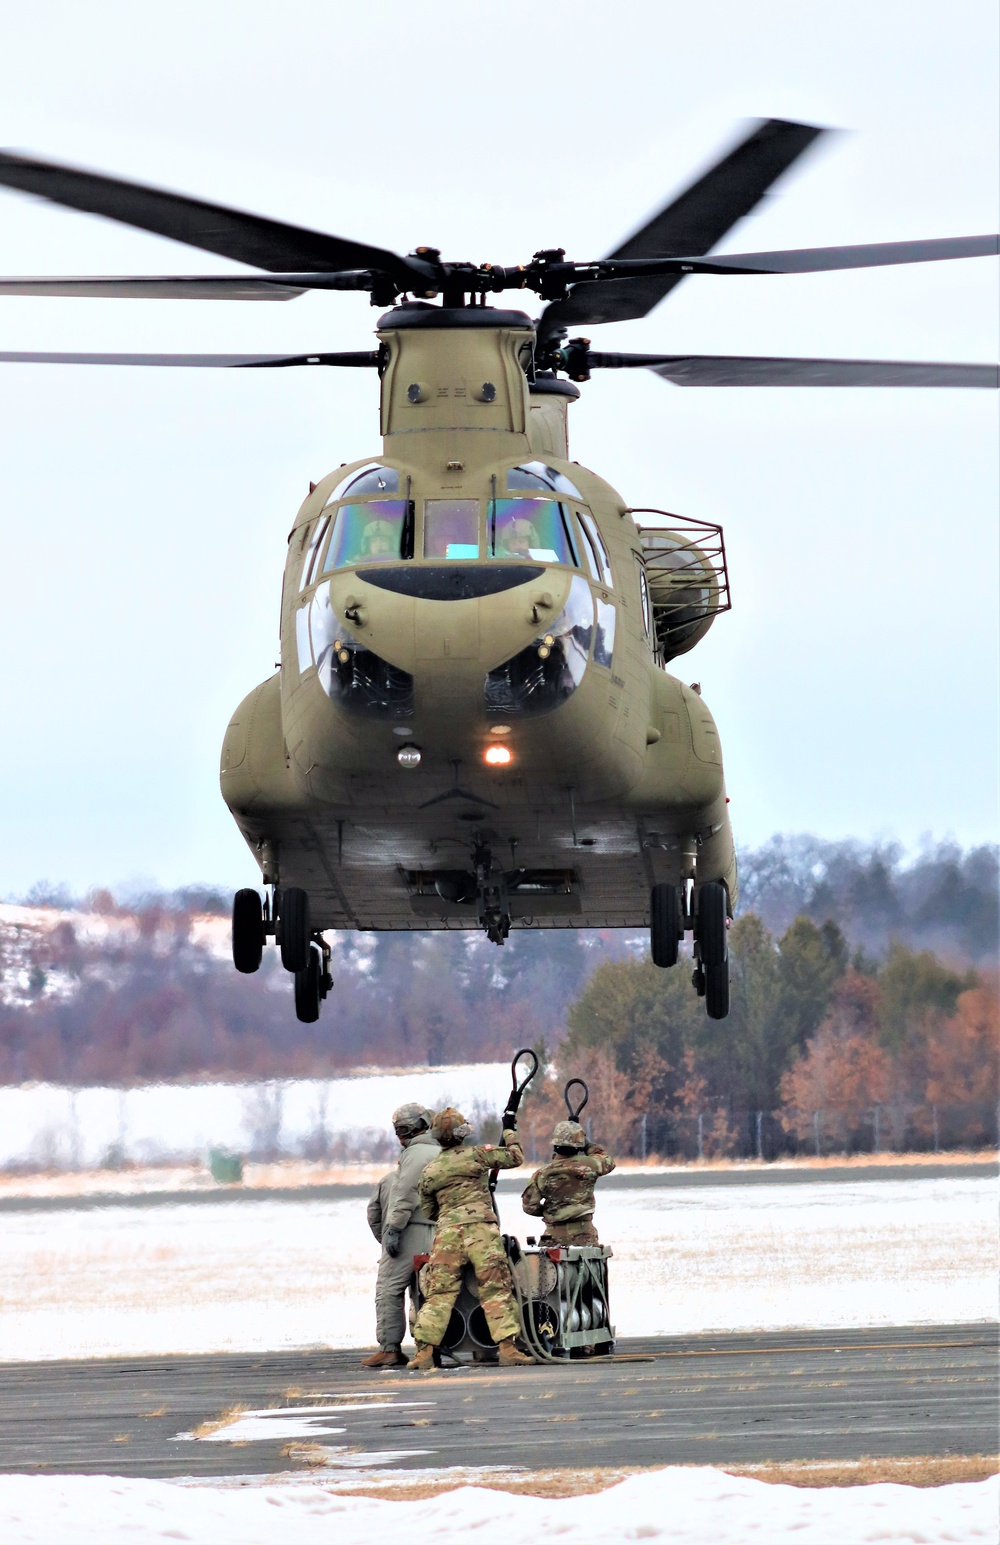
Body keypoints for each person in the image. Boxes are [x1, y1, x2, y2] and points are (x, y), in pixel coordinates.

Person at [408, 1107, 532, 1370]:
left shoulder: (430, 1171)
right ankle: (508, 1350)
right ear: (463, 1133)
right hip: (481, 1232)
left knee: (439, 1294)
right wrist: (509, 1130)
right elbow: (515, 1156)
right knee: (496, 1289)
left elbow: (430, 1210)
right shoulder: (477, 1156)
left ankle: (423, 1354)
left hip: (448, 1235)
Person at [360, 1102, 441, 1369]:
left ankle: (390, 1348)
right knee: (427, 1291)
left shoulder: (412, 1158)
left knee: (389, 1288)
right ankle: (428, 1346)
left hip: (410, 1230)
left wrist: (391, 1231)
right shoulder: (443, 1151)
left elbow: (400, 1197)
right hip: (439, 1231)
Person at [521, 1120, 616, 1247]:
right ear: (578, 1146)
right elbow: (607, 1160)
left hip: (553, 1235)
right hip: (584, 1234)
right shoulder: (590, 1165)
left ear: (554, 1144)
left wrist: (553, 1211)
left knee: (547, 1266)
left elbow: (529, 1206)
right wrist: (586, 1143)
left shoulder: (542, 1173)